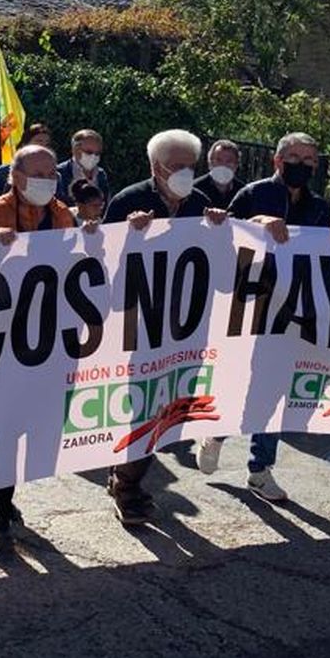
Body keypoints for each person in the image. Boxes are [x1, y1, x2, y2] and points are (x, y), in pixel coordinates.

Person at [197, 132, 330, 503]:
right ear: (277, 161)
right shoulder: (254, 193)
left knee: (274, 391)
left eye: (310, 159)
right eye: (295, 157)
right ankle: (219, 430)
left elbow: (326, 255)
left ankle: (259, 469)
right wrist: (257, 221)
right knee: (242, 383)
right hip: (249, 307)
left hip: (291, 312)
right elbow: (222, 234)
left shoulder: (319, 207)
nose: (302, 164)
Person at [100, 129, 228, 525]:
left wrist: (220, 233)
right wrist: (128, 235)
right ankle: (127, 485)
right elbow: (103, 269)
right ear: (156, 167)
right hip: (142, 327)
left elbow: (222, 275)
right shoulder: (129, 202)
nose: (185, 173)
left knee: (170, 408)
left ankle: (127, 475)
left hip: (187, 329)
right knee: (143, 406)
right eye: (177, 167)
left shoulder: (203, 205)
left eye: (191, 166)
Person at [0, 143, 78, 554]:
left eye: (53, 174)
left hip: (47, 344)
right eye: (39, 174)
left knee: (37, 429)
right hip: (1, 345)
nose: (49, 181)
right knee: (4, 432)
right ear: (15, 177)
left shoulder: (66, 216)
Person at [0, 122, 53, 207]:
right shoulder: (3, 174)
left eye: (47, 144)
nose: (43, 147)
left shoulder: (54, 177)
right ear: (24, 146)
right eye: (39, 142)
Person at [56, 128, 110, 206]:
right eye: (89, 152)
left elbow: (106, 203)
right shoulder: (59, 173)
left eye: (97, 153)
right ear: (75, 150)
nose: (93, 157)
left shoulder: (101, 174)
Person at [194, 139, 246, 209]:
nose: (223, 165)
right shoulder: (195, 189)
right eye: (218, 160)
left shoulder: (244, 192)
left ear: (236, 165)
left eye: (229, 161)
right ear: (210, 162)